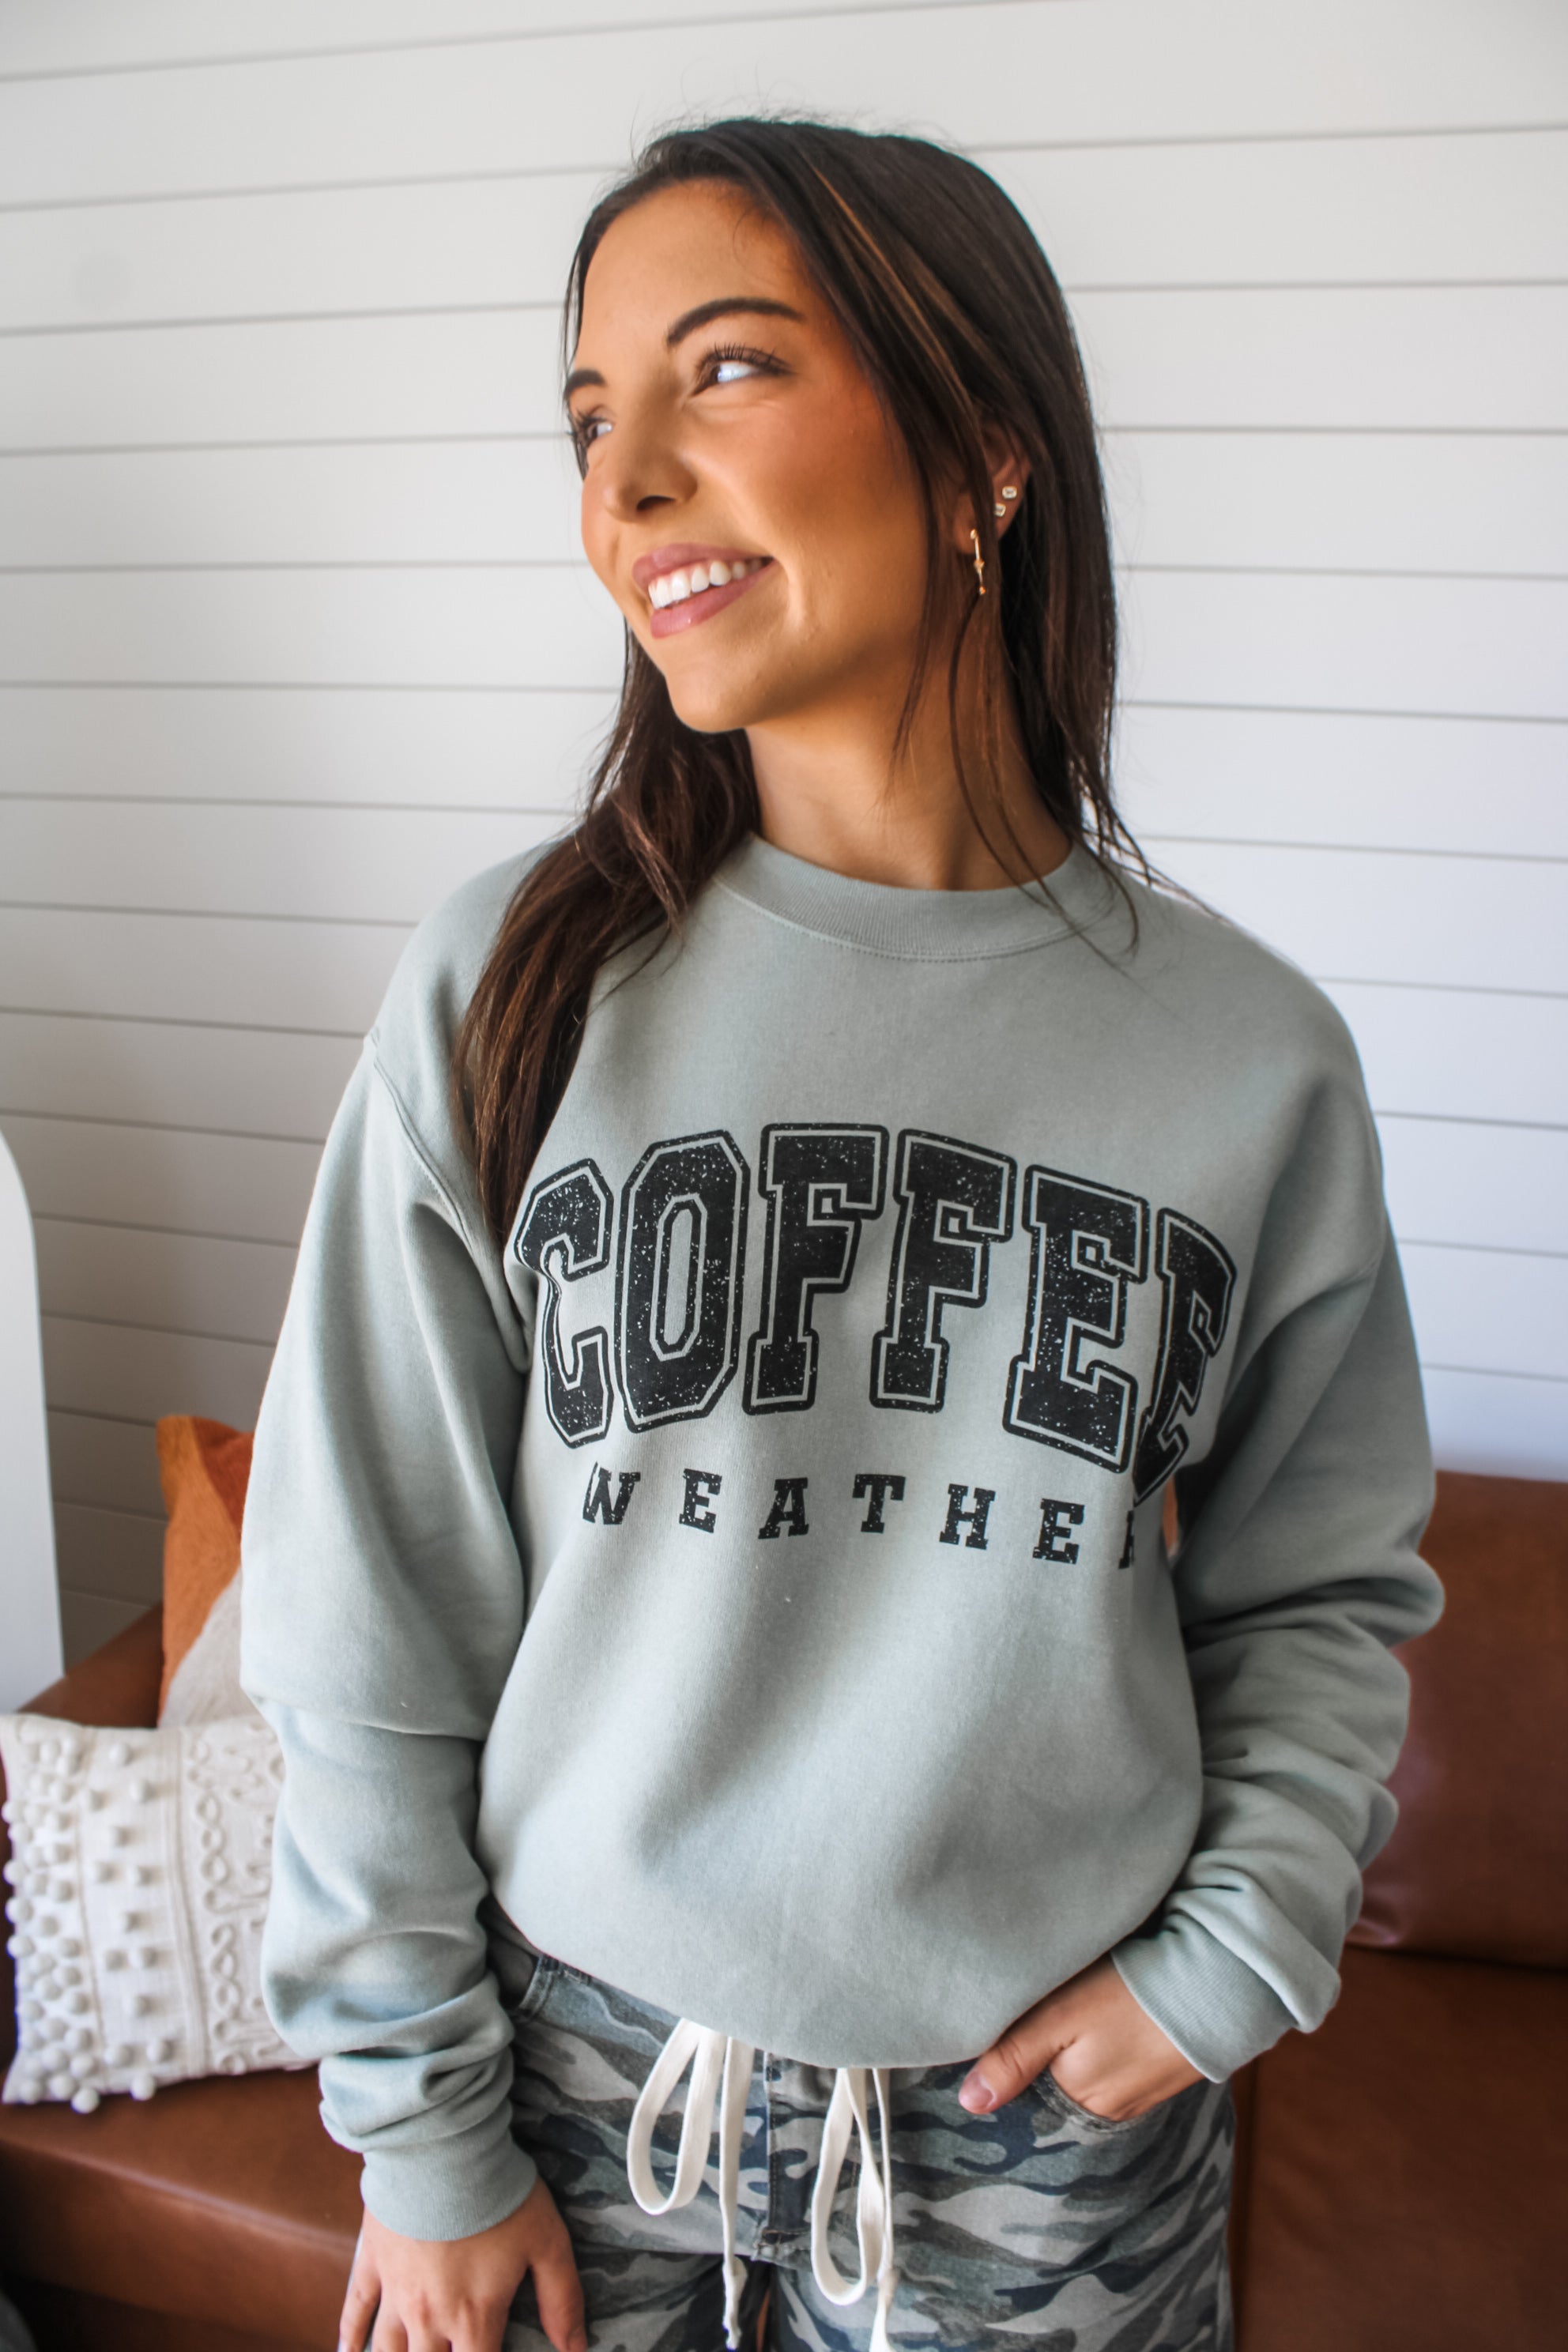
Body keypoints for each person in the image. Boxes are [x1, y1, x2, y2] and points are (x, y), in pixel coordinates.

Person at [239, 118, 1442, 2352]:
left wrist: (1229, 1961)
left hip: (1046, 2133)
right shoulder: (511, 988)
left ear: (982, 448)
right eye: (590, 421)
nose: (628, 484)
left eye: (723, 371)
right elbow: (363, 1611)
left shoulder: (1251, 1060)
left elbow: (1318, 1585)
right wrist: (419, 2125)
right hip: (575, 2096)